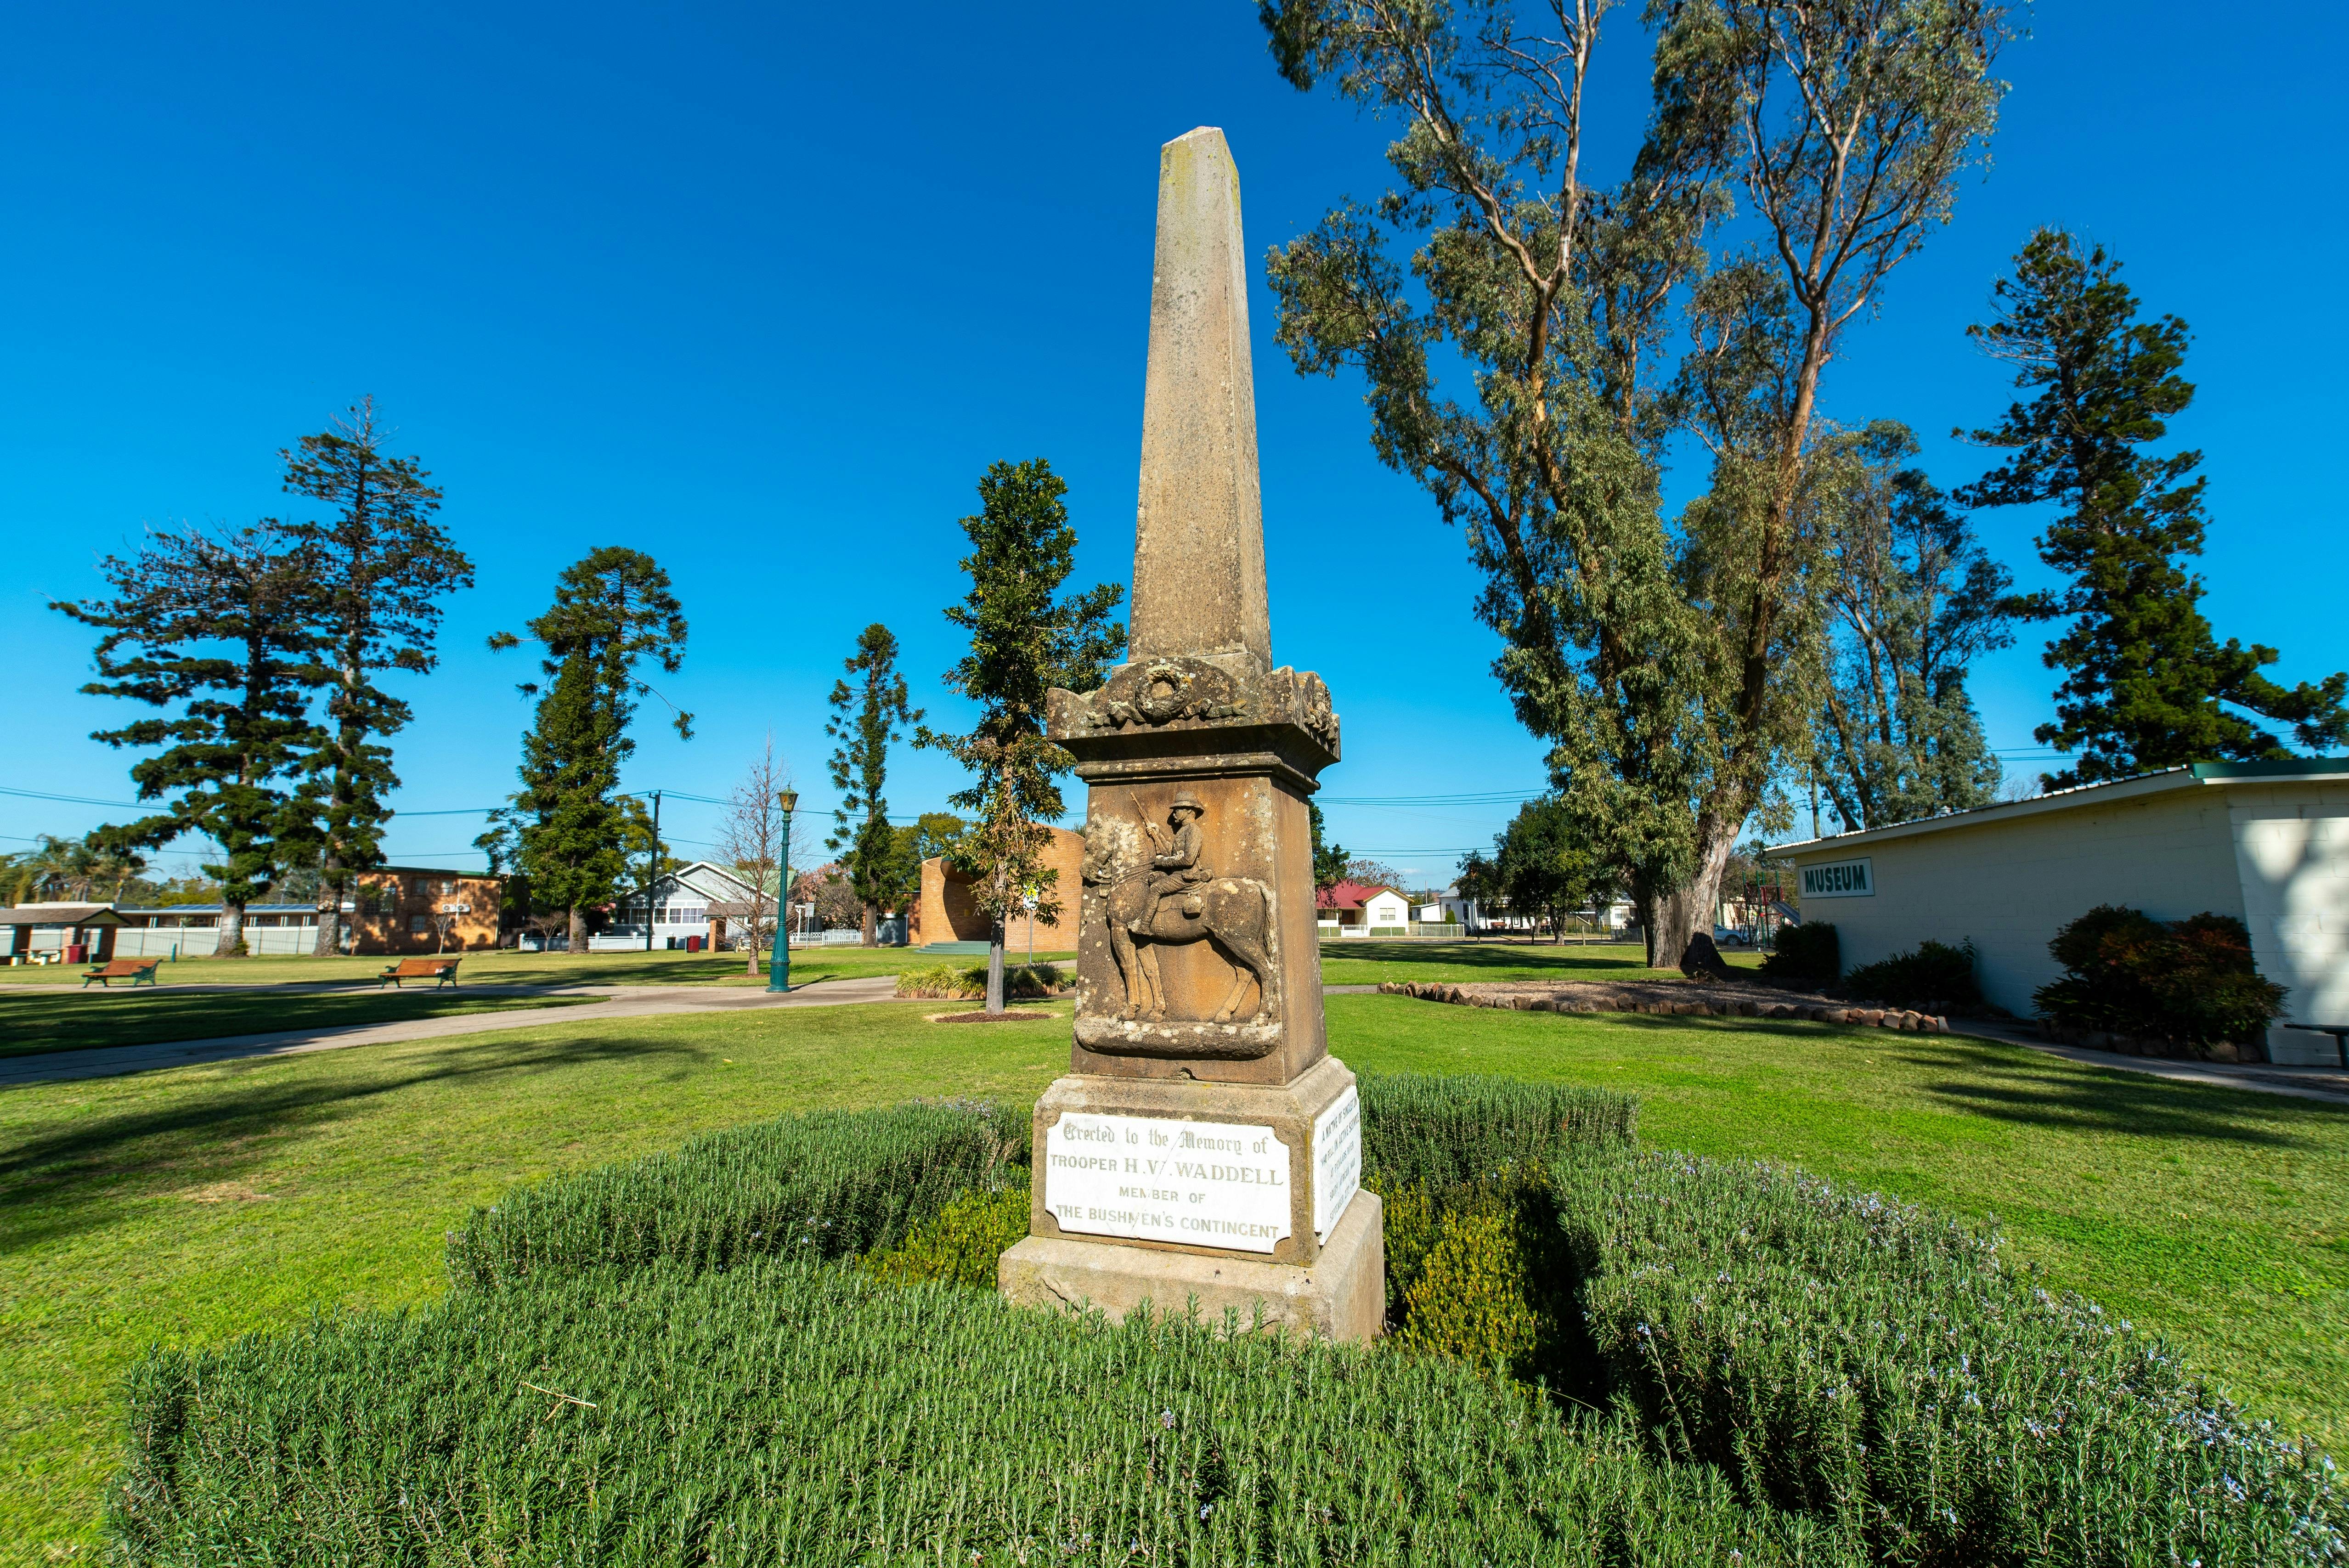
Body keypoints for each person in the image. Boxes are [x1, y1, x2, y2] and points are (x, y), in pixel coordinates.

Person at [1135, 792, 1210, 930]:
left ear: (1189, 810)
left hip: (1185, 876)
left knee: (1156, 888)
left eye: (1178, 809)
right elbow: (1173, 852)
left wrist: (1163, 862)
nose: (1174, 813)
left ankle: (1144, 927)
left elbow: (1188, 860)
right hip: (1178, 874)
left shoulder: (1194, 831)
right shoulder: (1183, 830)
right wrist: (1157, 834)